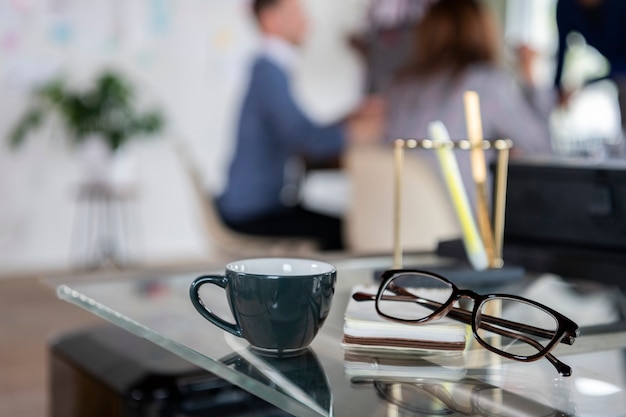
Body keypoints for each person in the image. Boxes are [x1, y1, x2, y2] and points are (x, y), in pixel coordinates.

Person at [216, 0, 383, 251]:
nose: (307, 23)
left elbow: (300, 129)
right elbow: (305, 138)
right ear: (270, 20)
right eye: (296, 14)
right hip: (254, 210)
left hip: (255, 204)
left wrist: (349, 118)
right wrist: (358, 130)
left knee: (341, 225)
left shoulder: (269, 70)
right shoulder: (269, 73)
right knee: (345, 230)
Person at [383, 0, 554, 206]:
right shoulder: (486, 84)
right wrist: (529, 72)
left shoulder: (399, 86)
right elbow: (541, 148)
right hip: (459, 226)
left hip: (396, 221)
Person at [554, 0, 626, 133]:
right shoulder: (566, 6)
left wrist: (584, 83)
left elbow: (621, 66)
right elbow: (561, 50)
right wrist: (558, 88)